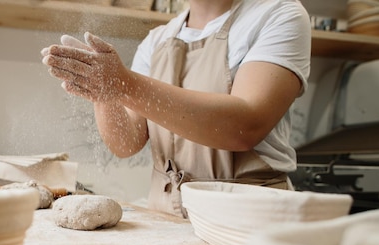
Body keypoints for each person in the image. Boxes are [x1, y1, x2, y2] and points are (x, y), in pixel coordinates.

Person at [41, 0, 311, 217]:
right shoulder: (158, 40)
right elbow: (126, 142)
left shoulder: (278, 15)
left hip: (246, 219)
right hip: (166, 218)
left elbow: (245, 127)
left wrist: (123, 84)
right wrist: (103, 93)